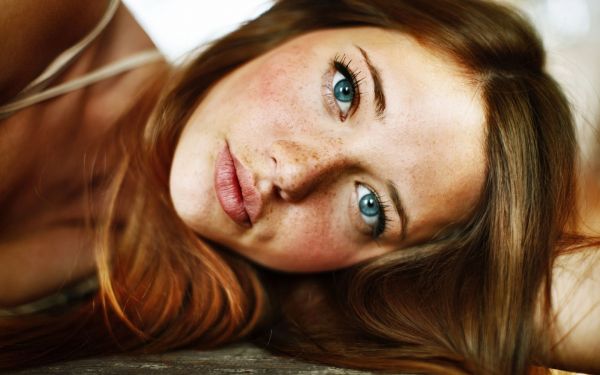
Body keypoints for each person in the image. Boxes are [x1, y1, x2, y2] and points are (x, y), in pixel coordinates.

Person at [1, 0, 599, 373]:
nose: (293, 173)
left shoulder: (237, 292)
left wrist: (490, 269)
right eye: (345, 90)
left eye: (370, 206)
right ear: (301, 23)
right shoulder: (46, 22)